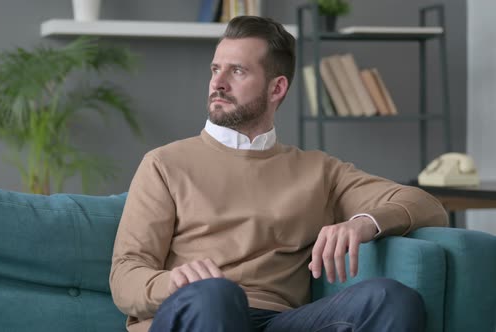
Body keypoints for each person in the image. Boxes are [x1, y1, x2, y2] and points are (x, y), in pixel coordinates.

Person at [110, 15, 448, 332]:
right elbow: (125, 276)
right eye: (216, 69)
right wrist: (175, 282)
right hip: (199, 310)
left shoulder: (319, 171)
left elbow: (427, 206)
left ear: (277, 89)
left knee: (391, 299)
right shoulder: (164, 164)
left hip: (278, 321)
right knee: (217, 295)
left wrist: (362, 223)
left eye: (237, 71)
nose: (218, 82)